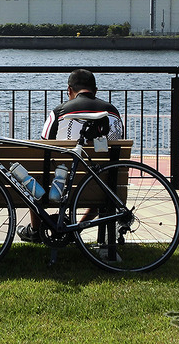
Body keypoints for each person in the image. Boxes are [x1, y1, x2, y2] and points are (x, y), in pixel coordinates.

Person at [16, 69, 124, 243]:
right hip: (101, 188)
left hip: (59, 188)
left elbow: (41, 148)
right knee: (101, 179)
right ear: (95, 91)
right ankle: (76, 230)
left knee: (34, 174)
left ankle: (36, 230)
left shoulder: (59, 112)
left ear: (69, 90)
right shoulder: (113, 114)